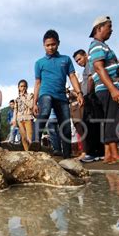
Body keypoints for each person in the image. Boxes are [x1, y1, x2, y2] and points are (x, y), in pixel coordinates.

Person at [88, 16, 119, 164]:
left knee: (110, 119)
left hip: (107, 88)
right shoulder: (97, 45)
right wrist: (113, 89)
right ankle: (115, 154)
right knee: (116, 119)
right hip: (109, 89)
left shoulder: (101, 46)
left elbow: (108, 68)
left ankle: (109, 154)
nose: (111, 29)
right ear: (99, 28)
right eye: (109, 26)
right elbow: (99, 67)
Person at [31, 29, 84, 159]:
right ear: (43, 45)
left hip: (61, 96)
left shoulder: (65, 60)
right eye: (47, 45)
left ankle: (67, 156)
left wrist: (79, 93)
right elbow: (37, 82)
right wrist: (34, 103)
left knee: (65, 125)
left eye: (53, 44)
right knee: (45, 109)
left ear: (58, 43)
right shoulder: (39, 63)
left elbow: (72, 76)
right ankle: (36, 140)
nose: (50, 47)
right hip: (45, 93)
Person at [73, 49, 104, 161]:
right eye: (76, 61)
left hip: (91, 97)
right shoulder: (86, 67)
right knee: (92, 125)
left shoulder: (90, 64)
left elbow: (91, 79)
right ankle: (97, 152)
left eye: (80, 59)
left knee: (91, 125)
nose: (79, 62)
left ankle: (94, 152)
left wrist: (88, 94)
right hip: (89, 97)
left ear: (85, 55)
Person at [13, 80, 34, 151]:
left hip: (28, 118)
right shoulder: (16, 99)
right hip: (19, 119)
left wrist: (23, 98)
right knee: (24, 137)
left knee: (29, 136)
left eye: (24, 86)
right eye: (21, 86)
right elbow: (15, 110)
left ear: (27, 87)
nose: (23, 88)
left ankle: (32, 151)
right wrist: (14, 120)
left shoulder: (30, 95)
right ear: (18, 88)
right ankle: (27, 152)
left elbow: (31, 106)